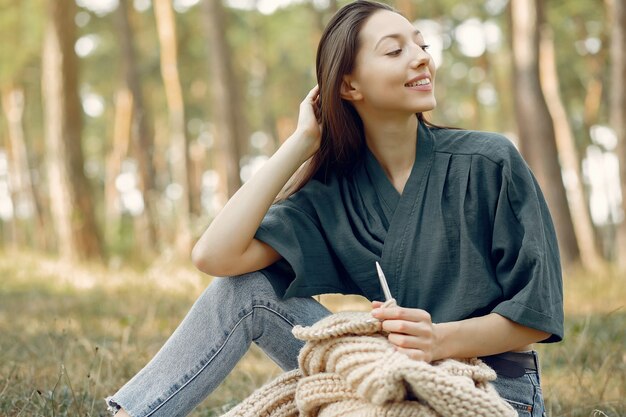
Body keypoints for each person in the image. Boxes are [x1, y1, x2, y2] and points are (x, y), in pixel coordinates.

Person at [106, 1, 563, 416]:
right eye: (394, 50)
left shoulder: (488, 161)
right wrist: (299, 143)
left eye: (421, 45)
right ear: (349, 85)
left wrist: (439, 340)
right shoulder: (335, 190)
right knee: (243, 289)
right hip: (385, 376)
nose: (422, 57)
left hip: (494, 387)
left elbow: (535, 317)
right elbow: (216, 257)